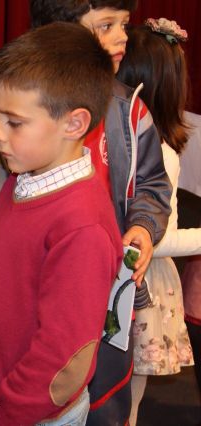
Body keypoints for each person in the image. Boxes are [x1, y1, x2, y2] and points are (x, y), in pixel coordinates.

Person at [0, 1, 173, 423]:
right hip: (33, 295)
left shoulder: (130, 112)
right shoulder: (22, 124)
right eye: (106, 25)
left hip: (100, 288)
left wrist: (141, 227)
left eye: (123, 24)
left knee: (98, 392)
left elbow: (153, 186)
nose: (123, 37)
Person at [0, 22, 123, 425]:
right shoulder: (21, 183)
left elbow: (64, 363)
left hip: (27, 414)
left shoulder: (81, 226)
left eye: (13, 122)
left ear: (74, 124)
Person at [116, 18, 200, 425]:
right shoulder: (162, 152)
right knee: (127, 399)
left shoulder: (121, 138)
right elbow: (160, 240)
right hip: (144, 283)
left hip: (124, 276)